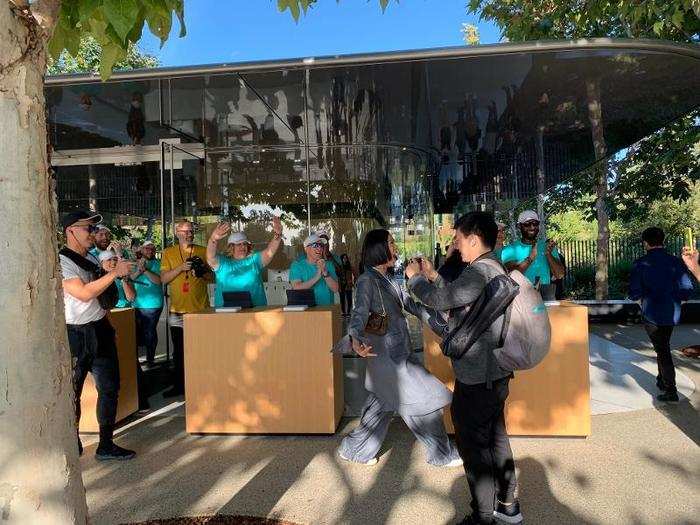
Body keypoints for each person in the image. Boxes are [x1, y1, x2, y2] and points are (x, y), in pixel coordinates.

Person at [406, 211, 522, 525]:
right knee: (496, 436)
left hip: (477, 376)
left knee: (473, 446)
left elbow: (443, 301)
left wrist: (415, 278)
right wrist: (434, 277)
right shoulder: (492, 267)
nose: (456, 246)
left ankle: (483, 516)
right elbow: (462, 302)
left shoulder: (478, 271)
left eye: (458, 240)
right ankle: (508, 506)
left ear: (473, 238)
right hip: (494, 373)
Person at [339, 229, 462, 468]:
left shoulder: (387, 278)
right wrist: (354, 338)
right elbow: (359, 313)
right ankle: (442, 454)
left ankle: (354, 449)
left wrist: (442, 319)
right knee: (423, 400)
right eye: (391, 243)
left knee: (380, 406)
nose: (395, 247)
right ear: (378, 249)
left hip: (395, 354)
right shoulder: (367, 280)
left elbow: (411, 305)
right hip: (389, 359)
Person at [59, 211, 136, 460]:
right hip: (75, 334)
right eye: (87, 229)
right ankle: (72, 443)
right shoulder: (62, 261)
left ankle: (105, 443)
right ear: (71, 230)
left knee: (110, 388)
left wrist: (108, 270)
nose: (93, 233)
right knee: (73, 392)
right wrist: (114, 273)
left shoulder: (90, 257)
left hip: (100, 328)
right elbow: (82, 293)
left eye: (94, 229)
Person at [629, 227, 694, 403]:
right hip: (672, 312)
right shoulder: (676, 262)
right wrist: (679, 301)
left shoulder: (640, 263)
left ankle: (671, 389)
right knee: (663, 345)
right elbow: (687, 288)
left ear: (645, 243)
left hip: (651, 313)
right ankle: (661, 379)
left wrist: (640, 301)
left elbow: (634, 292)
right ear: (662, 240)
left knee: (662, 350)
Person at [160, 220, 213, 397]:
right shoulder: (168, 252)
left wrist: (202, 271)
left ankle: (203, 384)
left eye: (191, 231)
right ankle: (179, 386)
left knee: (202, 350)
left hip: (200, 309)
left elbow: (212, 278)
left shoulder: (202, 250)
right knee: (179, 352)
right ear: (177, 233)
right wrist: (180, 268)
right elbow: (164, 279)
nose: (189, 234)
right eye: (185, 231)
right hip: (177, 310)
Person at [206, 216, 283, 307]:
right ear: (231, 247)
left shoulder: (254, 261)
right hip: (225, 315)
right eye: (238, 244)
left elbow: (270, 251)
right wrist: (213, 239)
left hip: (255, 312)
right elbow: (210, 257)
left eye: (245, 244)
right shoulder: (223, 263)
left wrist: (277, 235)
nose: (243, 247)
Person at [500, 210, 565, 295]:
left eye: (535, 223)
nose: (532, 227)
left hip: (544, 297)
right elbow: (511, 275)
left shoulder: (547, 247)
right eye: (527, 224)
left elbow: (559, 274)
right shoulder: (510, 249)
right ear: (519, 226)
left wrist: (548, 255)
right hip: (521, 298)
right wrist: (530, 258)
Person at [131, 240, 163, 366]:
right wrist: (139, 270)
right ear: (142, 250)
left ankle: (150, 359)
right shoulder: (135, 264)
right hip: (137, 304)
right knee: (137, 332)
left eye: (152, 249)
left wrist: (145, 270)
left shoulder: (159, 264)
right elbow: (130, 279)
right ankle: (136, 360)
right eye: (147, 248)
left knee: (149, 331)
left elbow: (158, 281)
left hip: (153, 305)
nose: (150, 251)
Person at [289, 234, 339, 306]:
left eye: (321, 245)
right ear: (306, 248)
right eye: (316, 245)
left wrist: (325, 273)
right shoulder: (297, 265)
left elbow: (335, 289)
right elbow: (296, 287)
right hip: (306, 310)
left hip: (327, 310)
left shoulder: (328, 265)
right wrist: (317, 277)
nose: (320, 248)